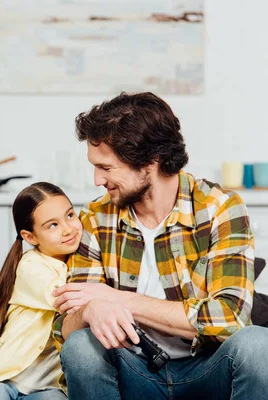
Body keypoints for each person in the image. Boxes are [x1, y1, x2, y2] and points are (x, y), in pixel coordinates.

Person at [52, 92, 268, 399]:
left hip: (208, 369)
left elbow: (230, 318)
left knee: (259, 347)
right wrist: (88, 312)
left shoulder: (219, 208)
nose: (97, 180)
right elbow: (64, 329)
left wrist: (119, 300)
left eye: (106, 167)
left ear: (149, 160)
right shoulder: (95, 219)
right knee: (82, 347)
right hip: (134, 370)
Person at [0, 182, 82, 400]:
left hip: (50, 388)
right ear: (30, 237)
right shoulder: (30, 266)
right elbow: (67, 298)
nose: (68, 228)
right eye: (52, 225)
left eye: (70, 215)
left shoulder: (84, 262)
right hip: (5, 380)